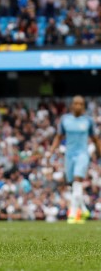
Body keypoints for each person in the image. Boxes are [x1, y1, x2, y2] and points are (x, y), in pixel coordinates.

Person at [48, 95, 101, 224]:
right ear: (72, 105)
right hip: (69, 155)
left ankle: (72, 213)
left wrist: (99, 152)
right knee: (73, 184)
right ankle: (83, 210)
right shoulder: (65, 120)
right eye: (76, 103)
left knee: (78, 181)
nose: (78, 106)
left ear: (83, 106)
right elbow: (58, 137)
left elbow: (95, 139)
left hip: (83, 154)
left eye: (81, 104)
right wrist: (51, 151)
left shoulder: (88, 121)